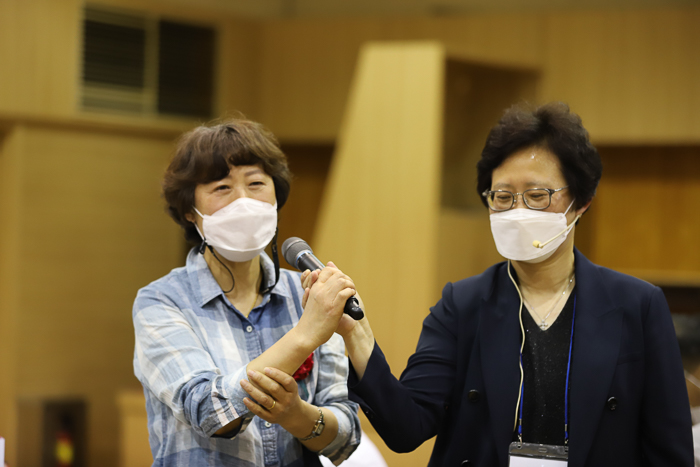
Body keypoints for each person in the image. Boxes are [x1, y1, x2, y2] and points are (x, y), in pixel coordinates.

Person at [293, 102, 693, 466]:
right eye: (502, 197)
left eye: (537, 195)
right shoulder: (463, 304)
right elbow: (407, 428)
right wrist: (358, 336)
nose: (517, 211)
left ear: (581, 201)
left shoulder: (637, 305)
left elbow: (669, 449)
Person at [132, 118, 360, 466]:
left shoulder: (307, 295)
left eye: (256, 184)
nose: (243, 200)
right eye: (222, 188)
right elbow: (209, 412)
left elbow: (346, 439)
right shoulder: (162, 301)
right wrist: (304, 336)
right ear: (190, 212)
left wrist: (296, 415)